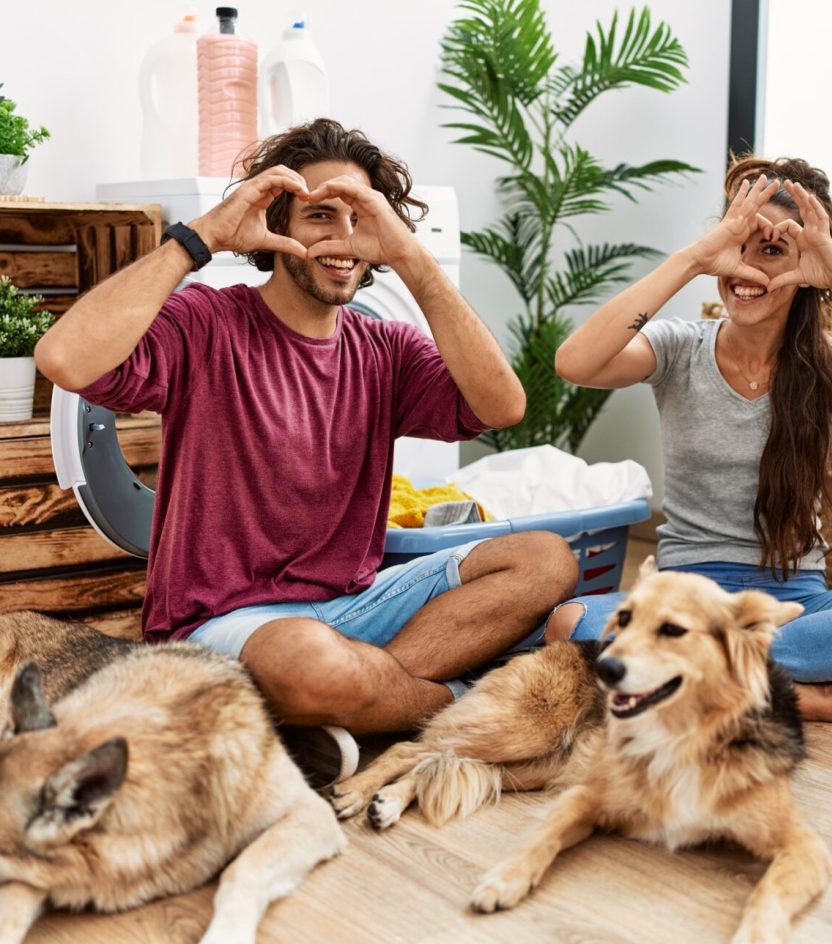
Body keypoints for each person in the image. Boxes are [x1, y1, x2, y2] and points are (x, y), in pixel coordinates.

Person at [35, 119, 580, 780]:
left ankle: (348, 707)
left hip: (354, 606)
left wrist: (411, 257)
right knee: (310, 663)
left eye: (363, 218)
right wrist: (200, 237)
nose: (343, 238)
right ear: (276, 226)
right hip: (227, 622)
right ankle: (461, 708)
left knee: (546, 560)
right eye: (321, 215)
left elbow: (504, 407)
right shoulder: (209, 322)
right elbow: (63, 359)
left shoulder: (387, 350)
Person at [546, 155, 832, 728]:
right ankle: (811, 699)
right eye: (738, 243)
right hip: (684, 601)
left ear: (808, 267)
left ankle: (705, 678)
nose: (747, 268)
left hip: (795, 604)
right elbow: (575, 362)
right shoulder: (677, 348)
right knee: (571, 624)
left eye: (771, 251)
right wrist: (694, 258)